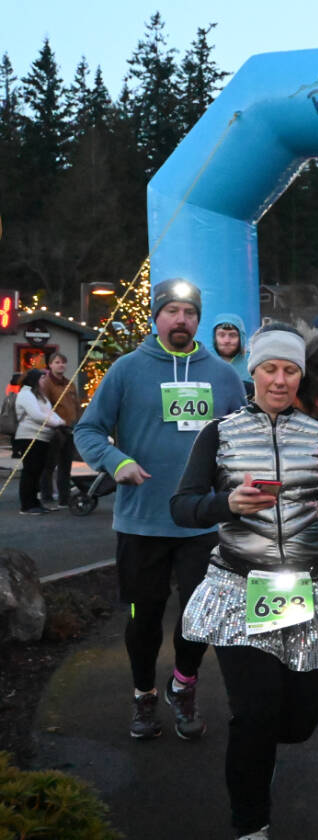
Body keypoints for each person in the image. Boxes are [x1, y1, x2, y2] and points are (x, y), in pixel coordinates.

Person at [170, 323, 318, 840]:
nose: (280, 380)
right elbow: (183, 505)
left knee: (299, 723)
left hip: (311, 589)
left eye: (289, 370)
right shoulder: (218, 433)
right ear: (253, 372)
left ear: (300, 376)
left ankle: (263, 753)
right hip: (241, 588)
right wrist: (226, 505)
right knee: (254, 713)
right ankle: (250, 827)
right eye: (270, 368)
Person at [75, 278, 246, 740]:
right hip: (142, 521)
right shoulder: (128, 370)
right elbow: (88, 431)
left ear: (198, 319)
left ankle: (183, 685)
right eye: (171, 310)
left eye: (189, 312)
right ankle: (143, 695)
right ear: (156, 316)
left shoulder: (223, 376)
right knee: (142, 617)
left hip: (201, 523)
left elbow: (244, 439)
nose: (181, 319)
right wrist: (117, 461)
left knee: (200, 618)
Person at [13, 367, 65, 515]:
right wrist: (57, 424)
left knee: (37, 472)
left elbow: (49, 412)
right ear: (35, 379)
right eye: (42, 378)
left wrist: (61, 421)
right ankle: (26, 505)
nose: (45, 380)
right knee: (30, 471)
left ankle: (35, 502)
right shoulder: (26, 394)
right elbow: (36, 415)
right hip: (29, 437)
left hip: (42, 438)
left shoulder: (40, 396)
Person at [38, 352, 80, 508]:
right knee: (49, 464)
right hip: (54, 429)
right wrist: (53, 423)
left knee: (65, 464)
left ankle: (64, 497)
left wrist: (77, 421)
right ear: (50, 365)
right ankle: (47, 496)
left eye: (63, 362)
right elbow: (44, 406)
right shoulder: (45, 383)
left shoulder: (70, 384)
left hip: (70, 428)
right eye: (57, 362)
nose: (61, 365)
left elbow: (76, 404)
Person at [213, 313, 253, 391]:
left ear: (241, 337)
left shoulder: (252, 362)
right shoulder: (205, 361)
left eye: (232, 335)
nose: (227, 341)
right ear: (214, 337)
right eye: (221, 335)